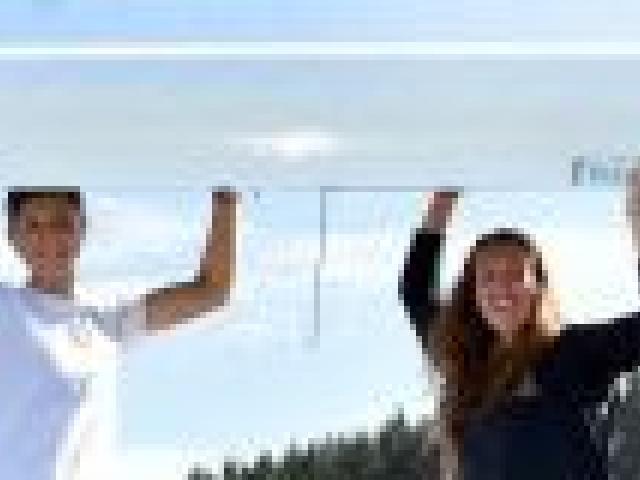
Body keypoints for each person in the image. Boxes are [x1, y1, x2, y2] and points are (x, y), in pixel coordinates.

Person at [399, 178, 640, 480]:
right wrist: (444, 194)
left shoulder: (577, 352)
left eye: (516, 275)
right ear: (472, 291)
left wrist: (637, 218)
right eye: (488, 277)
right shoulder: (462, 358)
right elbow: (415, 290)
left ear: (537, 287)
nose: (502, 287)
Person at [0, 187, 238, 479]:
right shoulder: (7, 307)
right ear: (13, 235)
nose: (48, 236)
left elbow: (212, 291)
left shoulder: (107, 321)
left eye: (62, 223)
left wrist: (225, 202)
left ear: (82, 229)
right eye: (33, 225)